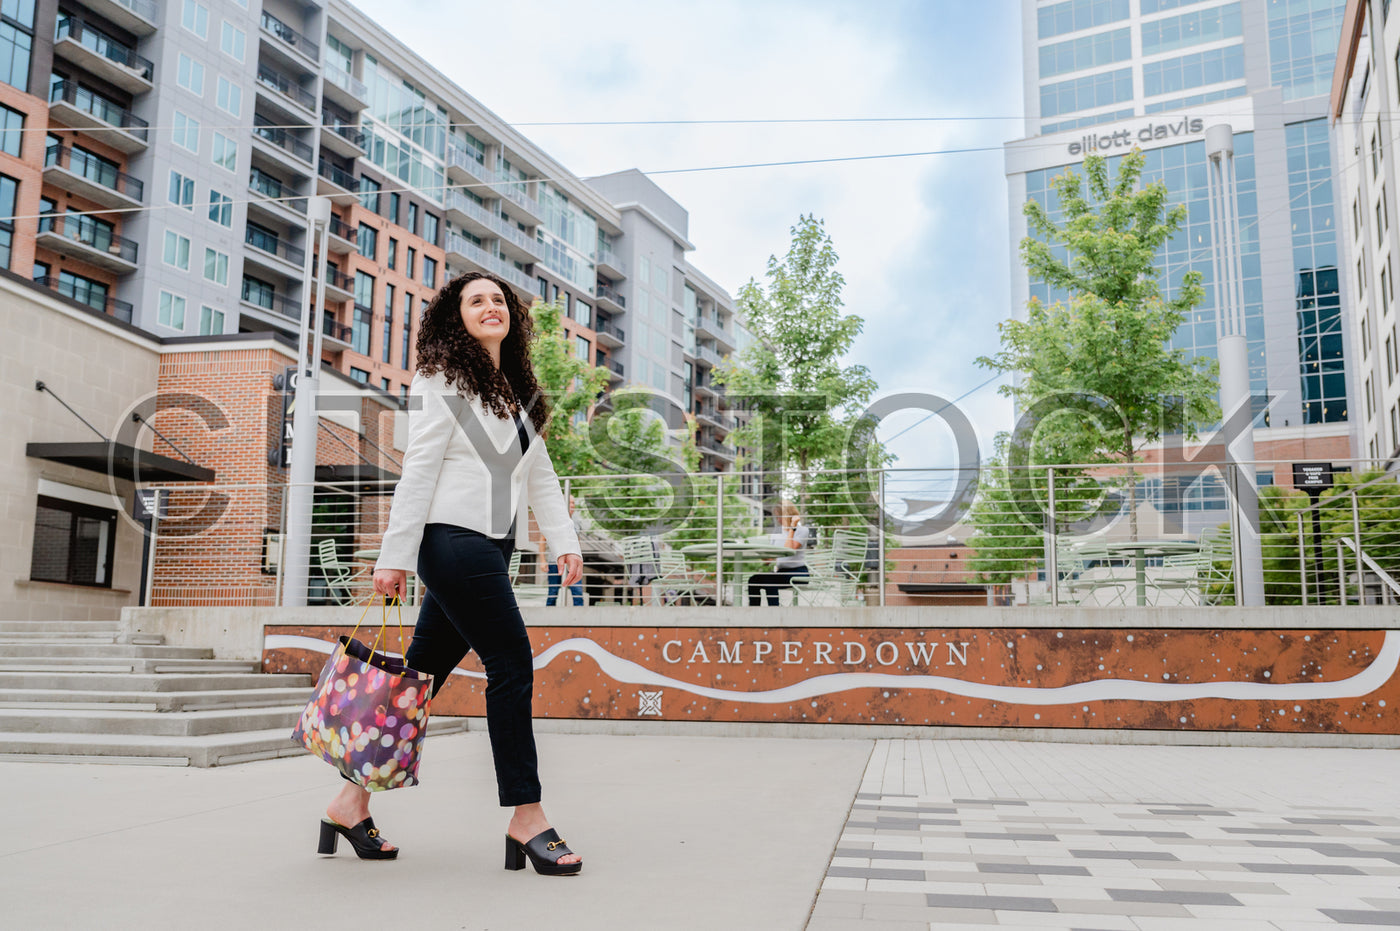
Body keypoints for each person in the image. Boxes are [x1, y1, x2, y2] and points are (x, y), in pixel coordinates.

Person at [321, 271, 584, 876]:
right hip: (449, 542)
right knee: (512, 665)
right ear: (455, 317)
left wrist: (563, 542)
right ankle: (528, 818)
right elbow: (418, 470)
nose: (491, 307)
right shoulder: (443, 380)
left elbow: (539, 477)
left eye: (498, 300)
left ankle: (348, 803)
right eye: (476, 301)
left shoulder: (518, 390)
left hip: (494, 550)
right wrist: (393, 554)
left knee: (419, 678)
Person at [746, 509, 810, 606]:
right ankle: (755, 616)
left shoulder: (802, 530)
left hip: (798, 572)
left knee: (769, 580)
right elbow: (771, 560)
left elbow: (790, 549)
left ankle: (775, 615)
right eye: (777, 517)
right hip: (781, 572)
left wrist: (792, 528)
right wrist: (762, 554)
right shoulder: (777, 532)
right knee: (753, 580)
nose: (778, 519)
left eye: (780, 517)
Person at [544, 497, 585, 606]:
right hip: (554, 561)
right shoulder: (553, 520)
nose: (572, 505)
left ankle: (580, 621)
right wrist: (543, 560)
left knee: (577, 593)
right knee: (552, 593)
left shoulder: (577, 522)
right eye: (570, 502)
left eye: (573, 503)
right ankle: (548, 620)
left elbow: (578, 541)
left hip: (572, 562)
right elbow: (542, 540)